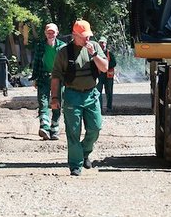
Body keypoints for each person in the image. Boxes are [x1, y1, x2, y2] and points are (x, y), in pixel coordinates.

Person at [51, 19, 108, 176]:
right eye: (84, 36)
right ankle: (76, 165)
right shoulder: (64, 52)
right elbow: (55, 76)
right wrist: (54, 98)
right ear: (75, 35)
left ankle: (84, 152)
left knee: (95, 128)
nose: (87, 39)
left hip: (91, 94)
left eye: (88, 35)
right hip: (72, 95)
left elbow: (104, 68)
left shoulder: (94, 47)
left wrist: (94, 54)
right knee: (73, 131)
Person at [31, 23, 66, 140]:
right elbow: (36, 63)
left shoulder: (62, 47)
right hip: (43, 77)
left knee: (57, 103)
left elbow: (67, 65)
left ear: (57, 33)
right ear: (45, 33)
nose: (50, 34)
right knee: (43, 102)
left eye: (53, 32)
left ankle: (54, 129)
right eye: (48, 32)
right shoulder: (40, 46)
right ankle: (44, 127)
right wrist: (34, 78)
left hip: (58, 78)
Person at [96, 37, 118, 113]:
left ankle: (109, 108)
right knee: (98, 93)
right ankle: (99, 109)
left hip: (108, 76)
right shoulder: (96, 53)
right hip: (99, 76)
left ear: (106, 43)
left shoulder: (109, 53)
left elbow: (114, 63)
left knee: (109, 92)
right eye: (100, 43)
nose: (102, 44)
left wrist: (105, 66)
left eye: (103, 43)